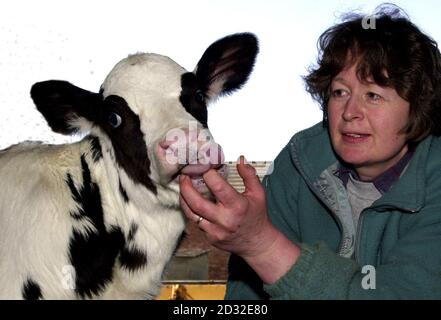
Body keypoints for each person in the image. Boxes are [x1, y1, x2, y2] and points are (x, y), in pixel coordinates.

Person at [179, 4, 441, 299]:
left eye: (373, 95)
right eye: (340, 92)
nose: (350, 112)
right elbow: (245, 294)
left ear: (419, 106)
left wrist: (261, 244)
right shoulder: (298, 163)